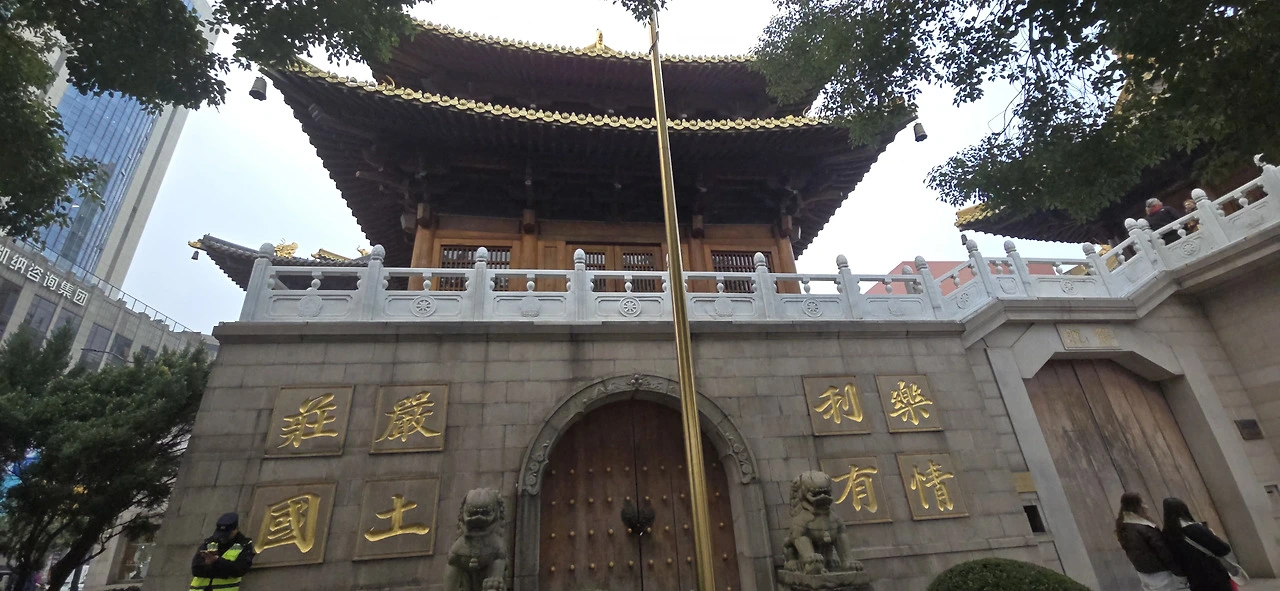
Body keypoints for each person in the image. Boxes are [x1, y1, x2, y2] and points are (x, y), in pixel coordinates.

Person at [1117, 492, 1186, 591]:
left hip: (1143, 572)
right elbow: (1163, 551)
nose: (1146, 506)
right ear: (1136, 507)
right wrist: (1179, 572)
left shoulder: (1124, 525)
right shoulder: (1144, 528)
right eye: (1143, 503)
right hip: (1159, 573)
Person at [1163, 498, 1234, 591]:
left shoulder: (1166, 534)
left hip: (1194, 579)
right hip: (1213, 575)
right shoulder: (1195, 528)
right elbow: (1224, 549)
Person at [190, 512, 256, 591]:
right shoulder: (210, 542)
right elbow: (196, 569)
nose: (222, 537)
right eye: (220, 534)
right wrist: (220, 568)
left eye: (226, 534)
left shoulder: (244, 545)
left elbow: (239, 570)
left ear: (235, 529)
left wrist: (216, 561)